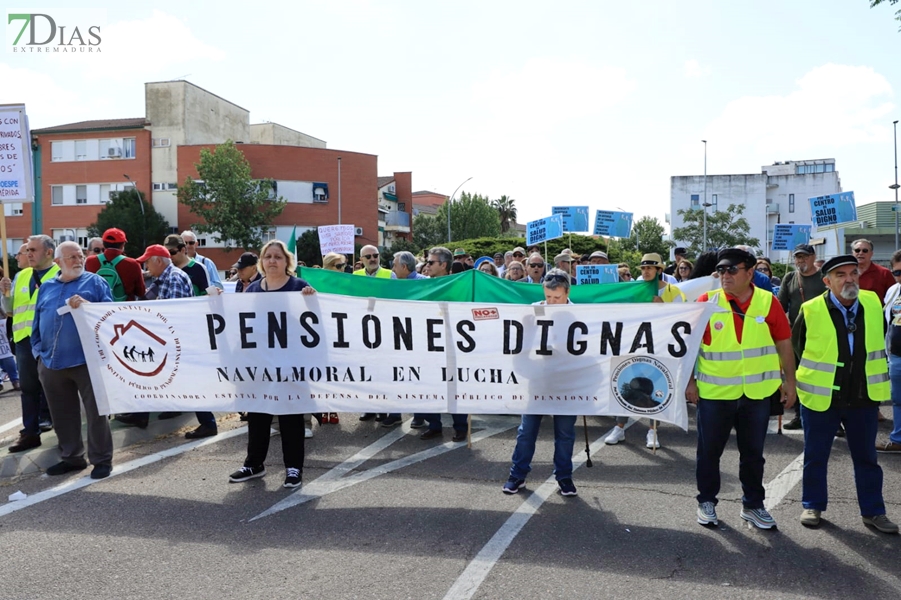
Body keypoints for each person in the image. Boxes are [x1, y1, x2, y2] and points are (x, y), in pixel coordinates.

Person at [686, 247, 797, 530]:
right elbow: (690, 346)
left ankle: (753, 505)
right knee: (709, 452)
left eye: (732, 270)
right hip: (715, 394)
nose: (725, 275)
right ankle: (706, 501)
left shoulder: (768, 302)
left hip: (757, 394)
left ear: (750, 273)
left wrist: (789, 382)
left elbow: (784, 343)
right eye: (721, 270)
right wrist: (689, 382)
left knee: (753, 455)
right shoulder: (706, 301)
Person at [792, 255, 898, 534]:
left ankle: (874, 512)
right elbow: (797, 346)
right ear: (827, 282)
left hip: (862, 397)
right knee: (816, 455)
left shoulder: (873, 303)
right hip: (822, 396)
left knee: (867, 459)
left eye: (853, 273)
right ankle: (813, 504)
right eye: (841, 275)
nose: (849, 279)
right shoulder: (811, 308)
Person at [229, 239, 316, 489]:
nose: (272, 261)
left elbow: (316, 320)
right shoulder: (254, 290)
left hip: (291, 365)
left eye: (278, 257)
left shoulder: (299, 286)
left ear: (287, 261)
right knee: (258, 415)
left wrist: (311, 298)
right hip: (259, 366)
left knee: (291, 418)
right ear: (262, 262)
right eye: (268, 257)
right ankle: (254, 463)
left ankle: (293, 468)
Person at [32, 242, 114, 479]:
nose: (79, 260)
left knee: (97, 412)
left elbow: (110, 315)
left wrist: (88, 306)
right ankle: (72, 458)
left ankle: (101, 460)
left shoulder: (95, 282)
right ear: (57, 261)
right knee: (61, 413)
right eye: (72, 257)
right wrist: (39, 353)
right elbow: (37, 321)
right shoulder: (46, 287)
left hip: (86, 360)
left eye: (80, 256)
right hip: (51, 361)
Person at [503, 269, 579, 497]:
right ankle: (517, 475)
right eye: (548, 297)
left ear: (567, 292)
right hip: (537, 380)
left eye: (556, 297)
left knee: (565, 433)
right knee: (527, 431)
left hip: (567, 382)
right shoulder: (534, 310)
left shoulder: (580, 314)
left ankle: (564, 477)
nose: (552, 302)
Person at [606, 253, 685, 449]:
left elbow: (683, 317)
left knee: (656, 386)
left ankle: (653, 430)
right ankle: (619, 427)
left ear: (659, 270)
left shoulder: (672, 291)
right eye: (643, 268)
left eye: (650, 268)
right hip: (634, 343)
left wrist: (663, 307)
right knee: (625, 382)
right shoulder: (635, 289)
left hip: (660, 345)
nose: (646, 271)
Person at [0, 235, 58, 453]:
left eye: (33, 250)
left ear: (49, 252)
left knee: (55, 387)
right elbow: (9, 310)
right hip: (24, 340)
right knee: (28, 388)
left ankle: (62, 432)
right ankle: (30, 433)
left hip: (51, 340)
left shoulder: (60, 274)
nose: (28, 254)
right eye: (28, 250)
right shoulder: (22, 275)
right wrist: (4, 293)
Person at [415, 247, 469, 441]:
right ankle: (434, 424)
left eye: (431, 262)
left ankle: (461, 426)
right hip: (427, 343)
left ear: (443, 265)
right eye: (426, 262)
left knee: (454, 385)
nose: (426, 266)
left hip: (452, 343)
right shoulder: (421, 286)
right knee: (429, 384)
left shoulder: (457, 286)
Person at [777, 244, 827, 430]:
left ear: (813, 257)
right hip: (796, 337)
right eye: (798, 257)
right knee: (798, 376)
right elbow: (780, 306)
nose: (800, 261)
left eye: (804, 257)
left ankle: (833, 419)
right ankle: (800, 415)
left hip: (823, 336)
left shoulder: (824, 278)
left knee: (824, 377)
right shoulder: (790, 278)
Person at [84, 228, 146, 301]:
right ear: (123, 244)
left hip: (98, 309)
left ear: (104, 244)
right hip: (123, 310)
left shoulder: (89, 261)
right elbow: (140, 292)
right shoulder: (132, 264)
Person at [852, 239, 895, 304]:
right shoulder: (845, 273)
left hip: (875, 313)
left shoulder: (884, 273)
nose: (860, 253)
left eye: (865, 251)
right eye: (857, 250)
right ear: (853, 253)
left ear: (871, 254)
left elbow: (894, 297)